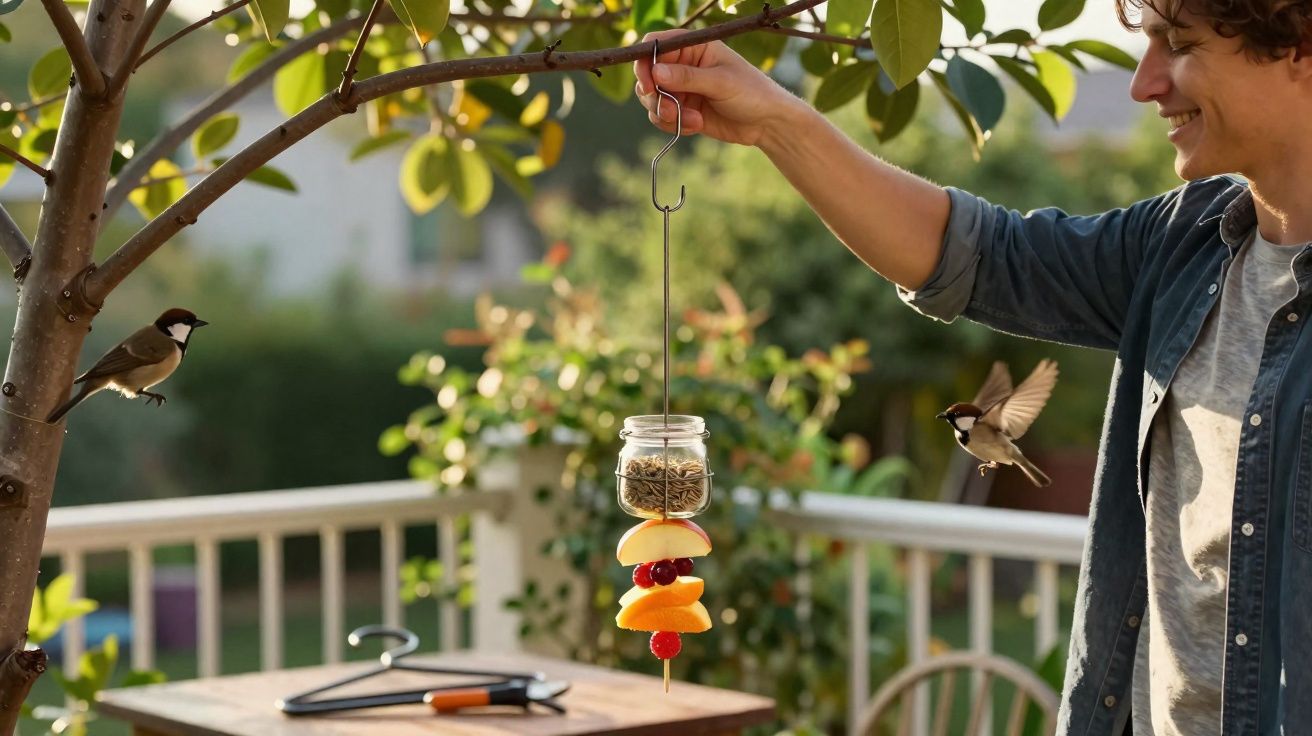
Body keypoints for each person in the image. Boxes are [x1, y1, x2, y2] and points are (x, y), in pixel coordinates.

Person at [634, 1, 1312, 733]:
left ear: (1300, 43)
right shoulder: (1182, 244)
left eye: (1178, 45)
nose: (1144, 85)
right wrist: (772, 120)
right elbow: (979, 255)